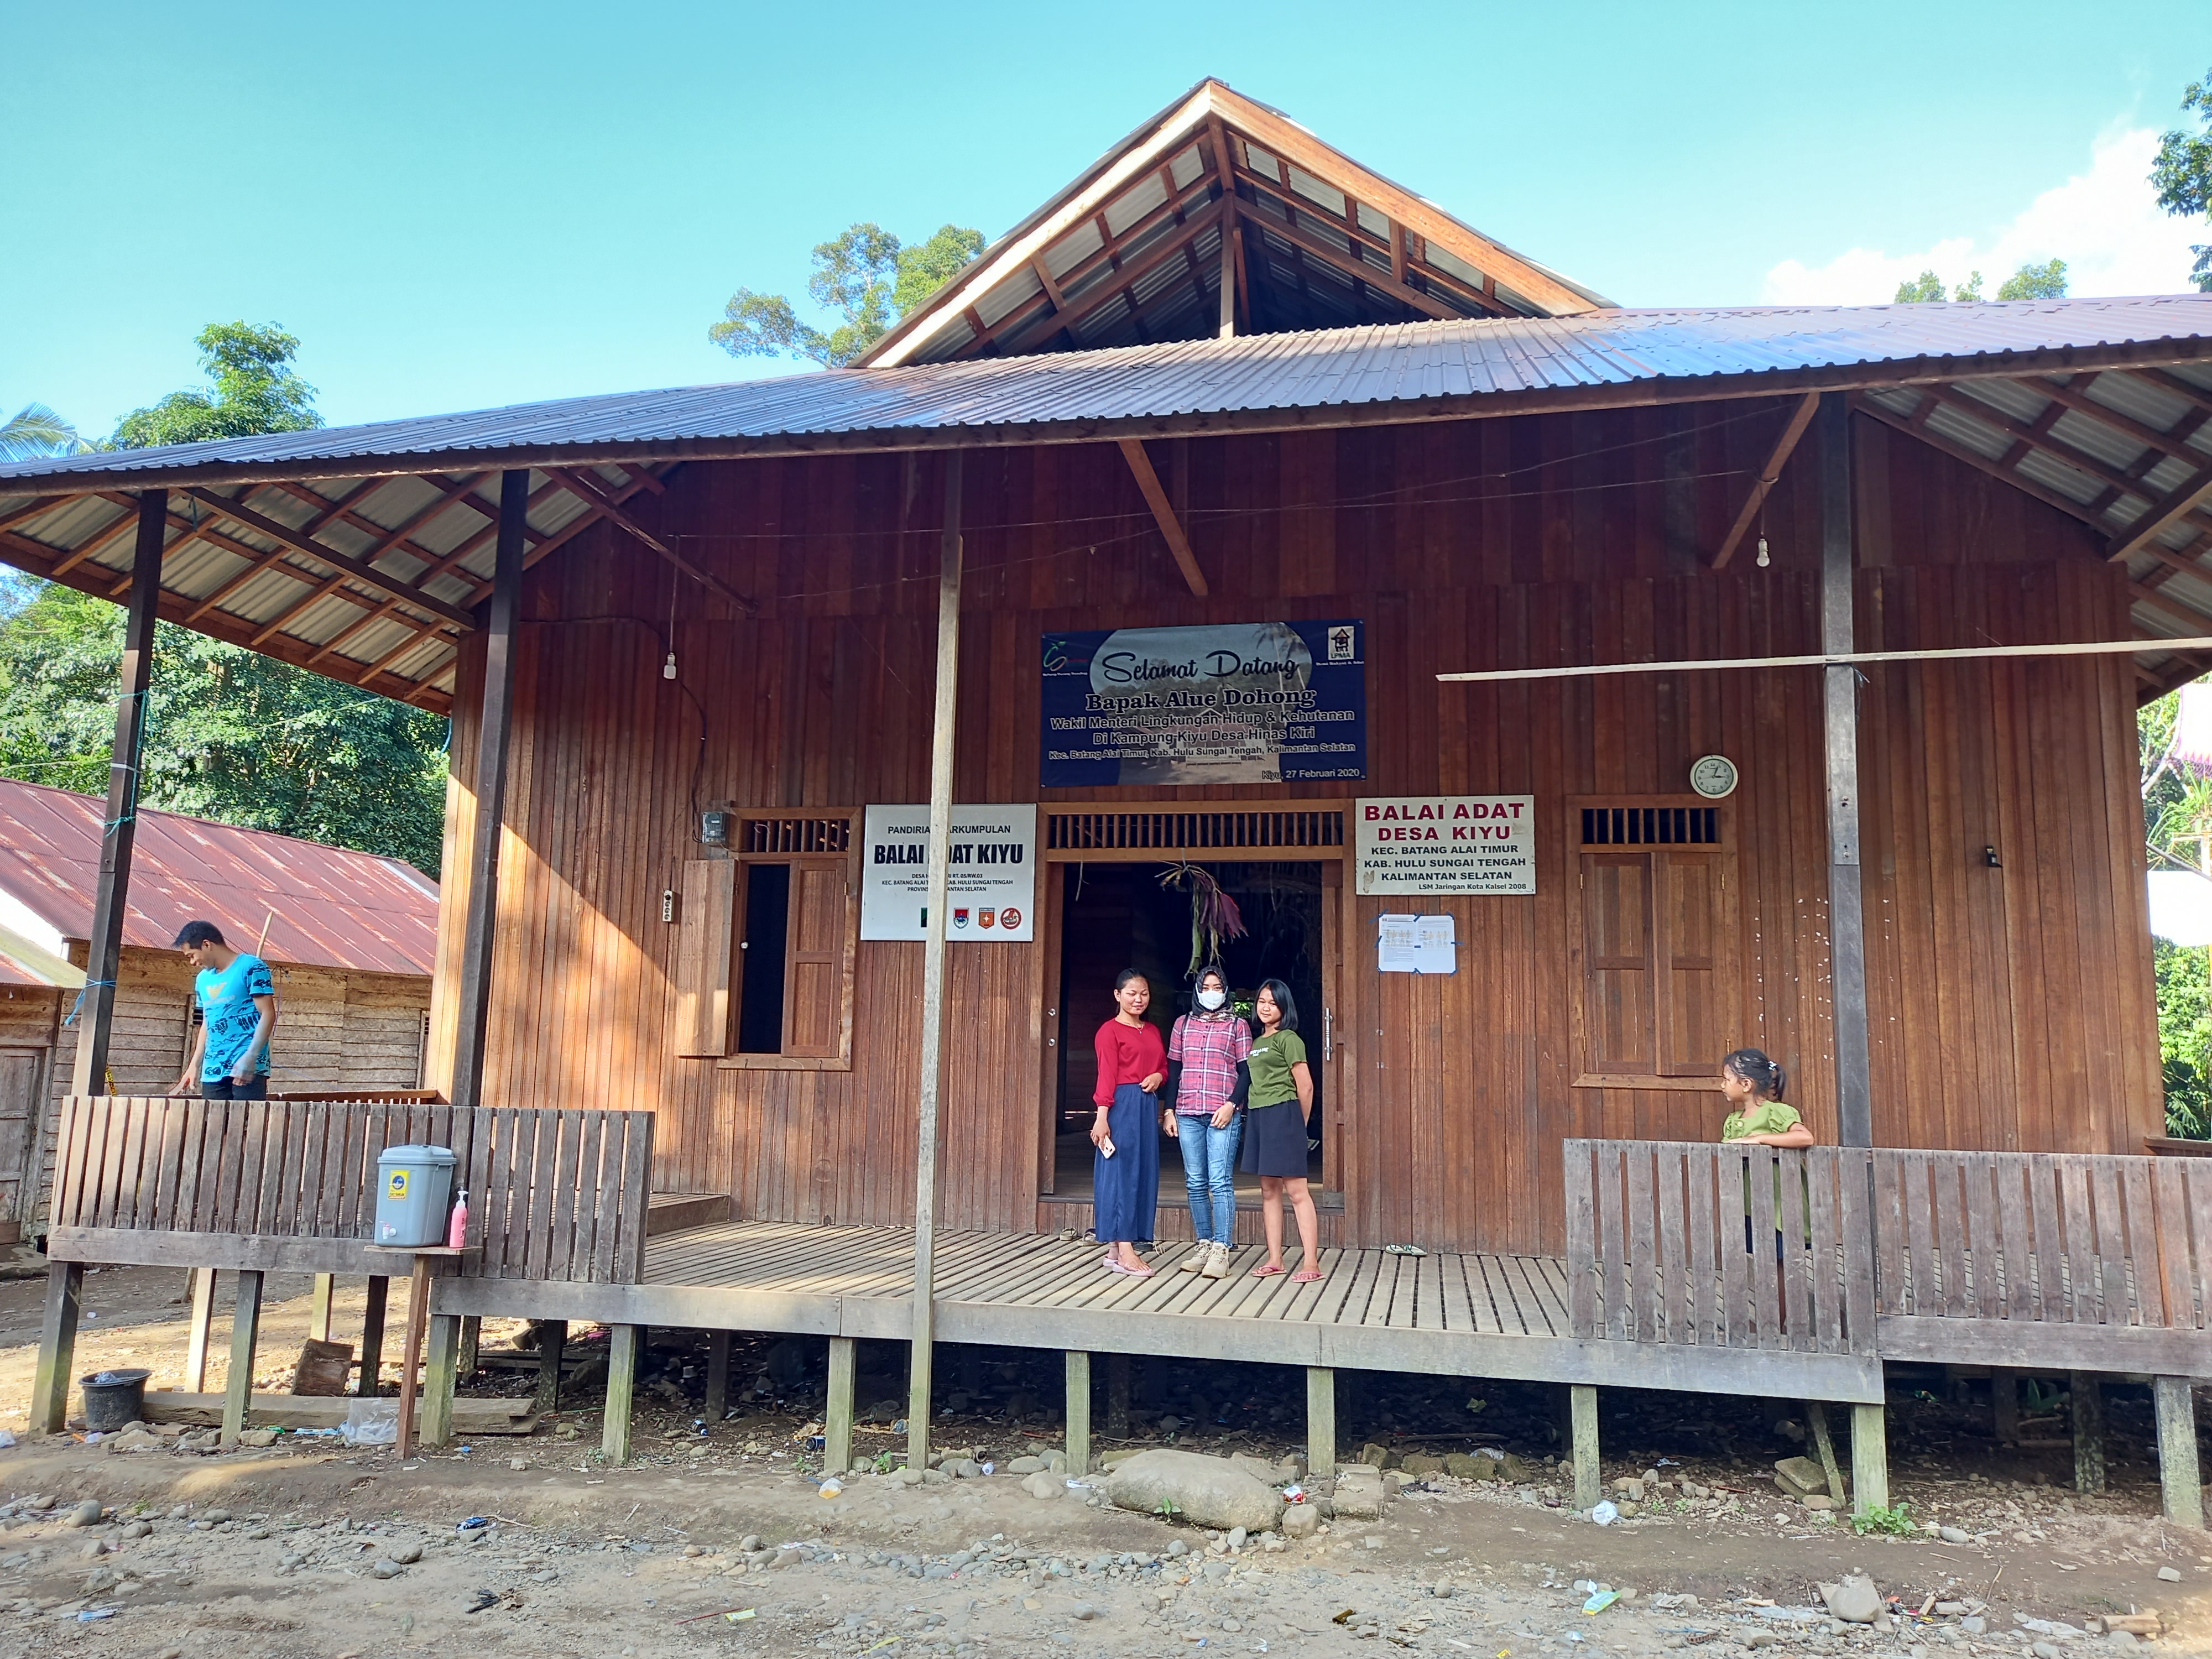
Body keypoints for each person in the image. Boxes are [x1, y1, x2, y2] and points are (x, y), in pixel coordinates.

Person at [1164, 965, 1250, 1279]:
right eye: (1206, 987)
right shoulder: (1183, 1024)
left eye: (1217, 988)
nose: (1211, 993)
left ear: (1225, 991)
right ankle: (1204, 1243)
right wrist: (1169, 1110)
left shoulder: (1238, 1025)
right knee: (1195, 1181)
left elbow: (1246, 1071)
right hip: (1187, 1111)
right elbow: (1174, 1068)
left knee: (1220, 1181)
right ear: (1197, 991)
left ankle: (1221, 1248)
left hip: (1222, 1112)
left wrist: (1232, 1105)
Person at [1241, 979, 1321, 1282]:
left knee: (1297, 1191)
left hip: (1284, 1114)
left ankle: (1311, 1263)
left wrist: (1299, 1124)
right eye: (1262, 1001)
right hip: (1259, 1115)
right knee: (1269, 1190)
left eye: (1273, 1003)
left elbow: (1306, 1086)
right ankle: (1275, 1259)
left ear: (1284, 1007)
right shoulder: (1257, 1042)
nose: (1266, 1007)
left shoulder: (1289, 1039)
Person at [1091, 968, 1165, 1276]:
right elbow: (1106, 1075)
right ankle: (1125, 1249)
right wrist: (1102, 1117)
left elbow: (1163, 1066)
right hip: (1120, 1105)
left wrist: (1159, 1076)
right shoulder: (1109, 1031)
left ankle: (1114, 1250)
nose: (1139, 999)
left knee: (1142, 1171)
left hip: (1146, 1105)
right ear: (1118, 995)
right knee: (1120, 1173)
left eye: (1144, 994)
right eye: (1132, 994)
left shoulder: (1152, 1030)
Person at [168, 920, 278, 1100]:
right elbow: (207, 1022)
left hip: (247, 1068)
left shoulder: (252, 967)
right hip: (213, 1070)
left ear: (207, 944)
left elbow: (268, 1014)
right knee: (213, 1118)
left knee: (246, 1119)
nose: (192, 962)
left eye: (192, 955)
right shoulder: (202, 980)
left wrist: (251, 1056)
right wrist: (194, 1065)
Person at [1719, 1046, 1812, 1251]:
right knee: (1755, 1252)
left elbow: (1804, 1137)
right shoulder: (1733, 1120)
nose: (1722, 1085)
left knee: (1781, 1255)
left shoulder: (1776, 1112)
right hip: (1748, 1200)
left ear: (1746, 1084)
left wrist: (1759, 1139)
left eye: (1726, 1079)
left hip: (1781, 1200)